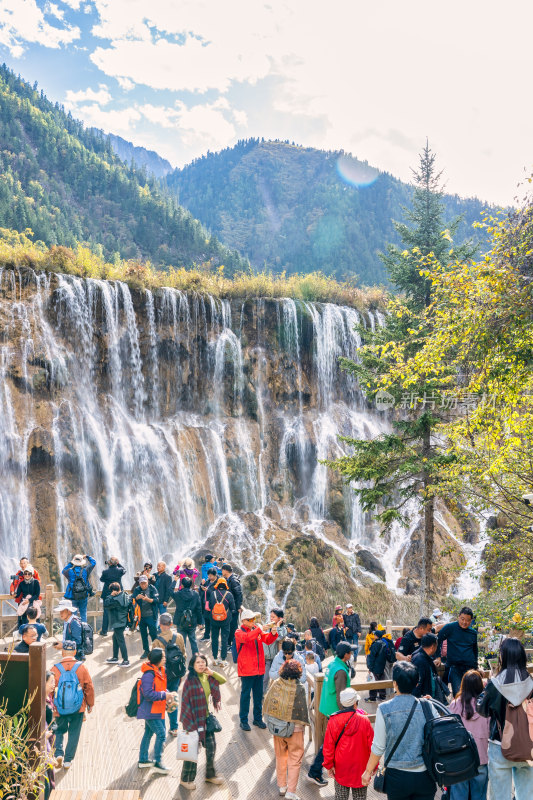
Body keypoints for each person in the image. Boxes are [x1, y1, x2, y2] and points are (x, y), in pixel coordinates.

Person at [361, 661, 438, 799]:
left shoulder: (384, 709)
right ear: (416, 684)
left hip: (397, 776)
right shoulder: (428, 706)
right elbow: (438, 734)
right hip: (425, 774)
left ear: (394, 683)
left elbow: (378, 746)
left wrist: (368, 771)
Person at [477, 637, 533, 800]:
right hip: (527, 745)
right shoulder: (531, 683)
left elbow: (482, 710)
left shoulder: (495, 684)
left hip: (500, 745)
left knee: (499, 795)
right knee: (527, 795)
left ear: (503, 656)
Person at [308, 642, 353, 789]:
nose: (351, 654)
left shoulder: (333, 663)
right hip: (336, 712)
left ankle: (322, 769)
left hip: (327, 707)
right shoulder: (340, 671)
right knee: (329, 744)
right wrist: (348, 715)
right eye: (350, 652)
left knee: (331, 742)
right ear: (345, 654)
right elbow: (342, 697)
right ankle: (315, 771)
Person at [264, 658, 310, 800]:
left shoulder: (276, 683)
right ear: (298, 673)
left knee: (280, 756)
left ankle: (282, 786)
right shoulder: (299, 687)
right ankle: (291, 791)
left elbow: (267, 702)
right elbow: (303, 709)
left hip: (278, 728)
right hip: (295, 729)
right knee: (295, 759)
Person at [180, 653, 226, 790]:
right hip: (192, 721)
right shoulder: (189, 681)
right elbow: (185, 704)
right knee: (191, 751)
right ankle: (185, 779)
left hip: (205, 719)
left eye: (203, 662)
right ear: (192, 666)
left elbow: (222, 680)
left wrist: (212, 672)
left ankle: (210, 775)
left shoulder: (207, 677)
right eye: (198, 662)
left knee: (211, 747)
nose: (201, 664)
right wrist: (190, 726)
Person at [323, 687, 374, 800]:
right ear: (356, 703)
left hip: (341, 766)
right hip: (361, 767)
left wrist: (329, 765)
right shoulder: (364, 720)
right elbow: (372, 746)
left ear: (342, 703)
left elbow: (328, 746)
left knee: (341, 796)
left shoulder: (334, 720)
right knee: (360, 797)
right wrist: (373, 767)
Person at [52, 640, 94, 770]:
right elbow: (89, 687)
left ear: (63, 652)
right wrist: (90, 704)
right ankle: (68, 761)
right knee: (74, 733)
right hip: (78, 707)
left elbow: (50, 688)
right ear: (75, 652)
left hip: (59, 707)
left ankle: (58, 753)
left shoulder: (55, 668)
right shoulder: (82, 667)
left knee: (58, 730)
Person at [448, 669, 489, 800]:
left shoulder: (455, 705)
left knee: (459, 795)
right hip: (481, 758)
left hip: (460, 759)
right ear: (480, 686)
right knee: (479, 796)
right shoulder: (486, 706)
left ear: (463, 685)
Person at [235, 608, 278, 731]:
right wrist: (260, 629)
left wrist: (273, 633)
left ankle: (257, 719)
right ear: (243, 621)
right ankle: (243, 720)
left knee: (258, 695)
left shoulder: (255, 630)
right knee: (245, 695)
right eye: (251, 619)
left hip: (259, 668)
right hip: (248, 669)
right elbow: (247, 638)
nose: (254, 621)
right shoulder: (239, 632)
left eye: (254, 619)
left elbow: (267, 640)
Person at [137, 648, 170, 774]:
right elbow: (148, 694)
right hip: (150, 710)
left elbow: (160, 688)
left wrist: (167, 694)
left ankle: (143, 760)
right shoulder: (148, 675)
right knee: (161, 734)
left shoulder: (160, 670)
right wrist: (164, 695)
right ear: (157, 660)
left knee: (149, 733)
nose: (165, 659)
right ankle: (157, 761)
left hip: (157, 709)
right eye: (163, 657)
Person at [153, 612, 186, 736]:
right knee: (173, 698)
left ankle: (162, 729)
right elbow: (183, 654)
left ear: (160, 625)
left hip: (163, 675)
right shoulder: (179, 637)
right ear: (171, 624)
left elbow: (154, 662)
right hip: (176, 673)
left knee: (161, 699)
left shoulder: (157, 641)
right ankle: (174, 728)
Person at [437, 606, 478, 695]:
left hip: (469, 667)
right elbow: (438, 639)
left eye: (467, 620)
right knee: (458, 693)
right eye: (462, 619)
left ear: (471, 621)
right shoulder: (450, 627)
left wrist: (476, 666)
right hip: (455, 667)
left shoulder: (473, 633)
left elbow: (475, 650)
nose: (464, 622)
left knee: (471, 694)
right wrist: (438, 657)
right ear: (458, 617)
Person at [208, 576, 236, 666]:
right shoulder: (229, 594)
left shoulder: (213, 594)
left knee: (214, 639)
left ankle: (215, 659)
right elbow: (233, 608)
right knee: (224, 639)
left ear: (217, 584)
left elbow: (210, 606)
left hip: (214, 620)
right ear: (225, 585)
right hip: (226, 621)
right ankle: (223, 660)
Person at [172, 576, 203, 656]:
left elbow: (169, 591)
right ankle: (196, 658)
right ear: (191, 585)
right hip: (192, 620)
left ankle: (181, 660)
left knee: (181, 641)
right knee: (193, 640)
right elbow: (199, 609)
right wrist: (200, 622)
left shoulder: (178, 594)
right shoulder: (195, 594)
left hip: (180, 620)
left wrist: (175, 581)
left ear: (182, 585)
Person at [62, 554, 96, 623]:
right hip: (83, 595)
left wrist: (71, 563)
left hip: (72, 596)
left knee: (73, 615)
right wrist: (87, 556)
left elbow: (63, 571)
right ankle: (84, 630)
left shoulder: (69, 571)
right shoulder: (86, 570)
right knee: (83, 614)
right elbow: (93, 563)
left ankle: (74, 630)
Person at [103, 581, 130, 666]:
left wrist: (111, 596)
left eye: (112, 591)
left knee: (121, 641)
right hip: (123, 621)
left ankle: (126, 660)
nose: (111, 592)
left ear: (114, 590)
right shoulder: (125, 595)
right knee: (115, 638)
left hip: (118, 622)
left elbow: (106, 604)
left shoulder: (115, 600)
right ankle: (115, 657)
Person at [133, 574, 159, 658]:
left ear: (147, 582)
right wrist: (136, 598)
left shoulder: (152, 588)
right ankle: (146, 651)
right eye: (141, 583)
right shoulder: (137, 589)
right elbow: (132, 600)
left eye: (144, 583)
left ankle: (156, 650)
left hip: (151, 615)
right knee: (143, 634)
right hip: (141, 616)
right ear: (139, 583)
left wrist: (147, 599)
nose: (143, 585)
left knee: (153, 633)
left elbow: (157, 600)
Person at [98, 556, 126, 635]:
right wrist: (118, 563)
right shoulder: (120, 570)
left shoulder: (105, 572)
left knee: (106, 613)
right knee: (118, 611)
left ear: (110, 563)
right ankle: (118, 630)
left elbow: (101, 579)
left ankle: (104, 631)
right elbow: (124, 570)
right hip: (118, 593)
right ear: (116, 563)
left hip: (107, 593)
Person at [366, 627, 395, 702]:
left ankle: (372, 697)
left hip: (375, 666)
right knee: (381, 681)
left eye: (374, 634)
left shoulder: (376, 644)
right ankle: (382, 696)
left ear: (376, 636)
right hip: (382, 666)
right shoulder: (384, 643)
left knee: (373, 682)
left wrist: (370, 667)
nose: (373, 636)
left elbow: (372, 657)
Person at [263, 608, 287, 692]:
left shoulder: (283, 628)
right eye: (271, 617)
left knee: (277, 679)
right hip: (265, 658)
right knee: (265, 678)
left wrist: (277, 626)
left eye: (273, 617)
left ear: (279, 618)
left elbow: (280, 637)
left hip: (276, 658)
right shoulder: (267, 625)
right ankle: (262, 696)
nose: (271, 619)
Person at [411, 633, 439, 699]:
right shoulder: (419, 660)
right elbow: (417, 684)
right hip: (423, 700)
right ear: (432, 647)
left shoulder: (424, 656)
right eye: (436, 646)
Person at [221, 563, 243, 647]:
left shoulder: (233, 580)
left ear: (226, 570)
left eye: (222, 570)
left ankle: (232, 645)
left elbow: (239, 594)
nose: (221, 571)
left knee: (233, 626)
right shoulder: (229, 579)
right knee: (230, 625)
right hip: (230, 607)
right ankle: (229, 644)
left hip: (233, 608)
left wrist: (238, 606)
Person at [44, 670, 56, 799]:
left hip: (50, 737)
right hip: (45, 739)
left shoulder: (48, 697)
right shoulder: (41, 700)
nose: (54, 684)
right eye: (51, 681)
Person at [200, 567, 218, 641]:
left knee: (213, 623)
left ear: (215, 575)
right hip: (205, 604)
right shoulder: (207, 581)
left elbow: (217, 594)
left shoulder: (218, 582)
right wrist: (202, 585)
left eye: (210, 576)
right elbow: (202, 590)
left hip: (213, 605)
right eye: (208, 575)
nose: (209, 577)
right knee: (206, 620)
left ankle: (214, 638)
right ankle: (206, 636)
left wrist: (208, 590)